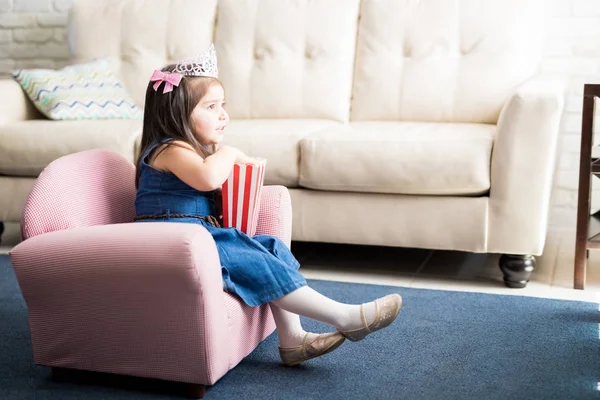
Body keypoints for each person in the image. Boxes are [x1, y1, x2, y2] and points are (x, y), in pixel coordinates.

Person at [134, 45, 402, 367]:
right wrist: (230, 153)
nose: (223, 115)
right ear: (176, 114)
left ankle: (292, 338)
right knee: (246, 254)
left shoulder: (194, 151)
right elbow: (207, 179)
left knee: (269, 247)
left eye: (223, 105)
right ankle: (344, 316)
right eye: (211, 107)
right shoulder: (169, 149)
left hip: (199, 233)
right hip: (175, 238)